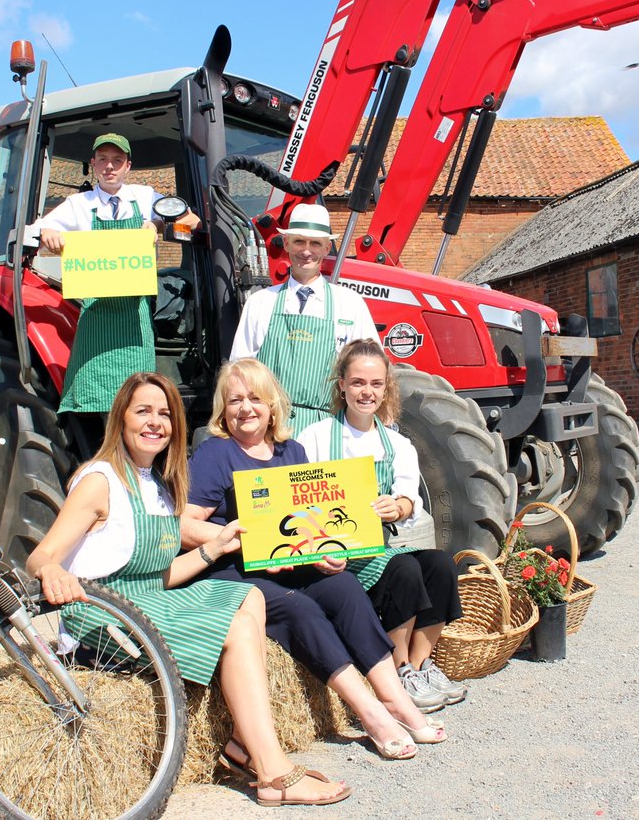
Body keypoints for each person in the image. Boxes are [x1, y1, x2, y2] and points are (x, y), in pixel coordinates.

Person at [26, 372, 351, 807]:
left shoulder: (154, 484)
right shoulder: (99, 480)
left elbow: (154, 575)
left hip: (145, 600)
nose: (155, 422)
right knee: (236, 627)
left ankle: (241, 741)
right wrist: (54, 573)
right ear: (120, 418)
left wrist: (213, 548)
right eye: (143, 411)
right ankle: (273, 774)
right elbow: (39, 556)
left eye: (165, 414)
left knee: (249, 595)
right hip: (102, 617)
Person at [181, 358, 446, 761]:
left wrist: (325, 555)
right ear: (223, 408)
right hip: (234, 570)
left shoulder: (293, 451)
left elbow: (309, 523)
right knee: (300, 607)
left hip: (288, 561)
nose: (245, 408)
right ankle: (368, 710)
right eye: (234, 400)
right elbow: (183, 525)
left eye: (255, 398)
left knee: (344, 587)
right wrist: (232, 539)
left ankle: (394, 698)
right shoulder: (215, 454)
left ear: (272, 405)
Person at [297, 339, 468, 708]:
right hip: (335, 553)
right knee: (404, 568)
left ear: (386, 387)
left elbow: (410, 498)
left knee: (439, 565)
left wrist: (398, 507)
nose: (366, 392)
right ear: (341, 384)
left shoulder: (396, 444)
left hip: (378, 545)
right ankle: (397, 668)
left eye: (376, 384)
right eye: (358, 382)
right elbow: (297, 503)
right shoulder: (314, 438)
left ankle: (421, 664)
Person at [37, 133, 194, 418]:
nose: (110, 167)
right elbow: (37, 231)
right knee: (98, 401)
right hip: (97, 316)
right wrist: (48, 232)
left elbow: (189, 219)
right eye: (103, 160)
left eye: (117, 161)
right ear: (93, 165)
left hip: (134, 317)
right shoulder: (78, 204)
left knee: (138, 399)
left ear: (127, 166)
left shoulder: (145, 196)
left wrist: (157, 223)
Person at [230, 203, 378, 432]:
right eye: (299, 241)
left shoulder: (350, 304)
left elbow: (372, 371)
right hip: (268, 431)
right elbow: (238, 372)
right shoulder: (260, 303)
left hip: (330, 430)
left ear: (327, 248)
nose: (306, 251)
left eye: (315, 243)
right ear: (286, 244)